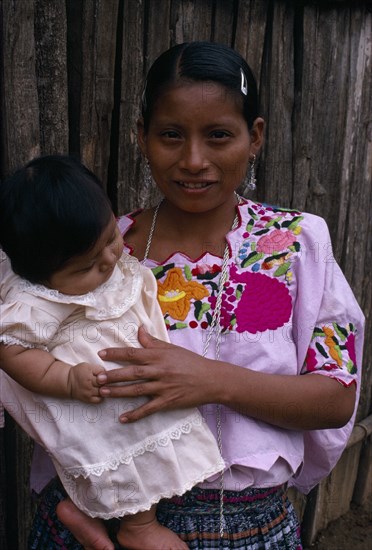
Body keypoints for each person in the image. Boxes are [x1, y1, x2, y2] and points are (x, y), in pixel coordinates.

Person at [8, 41, 365, 549]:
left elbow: (335, 398)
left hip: (243, 527)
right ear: (142, 137)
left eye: (219, 135)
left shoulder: (297, 244)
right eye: (170, 135)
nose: (194, 160)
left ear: (254, 136)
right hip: (96, 514)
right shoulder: (103, 250)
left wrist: (208, 379)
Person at [0, 154, 225, 550]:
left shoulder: (91, 257)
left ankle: (81, 511)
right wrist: (65, 378)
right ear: (39, 275)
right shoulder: (34, 302)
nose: (109, 259)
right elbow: (12, 351)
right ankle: (138, 526)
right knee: (124, 449)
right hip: (99, 393)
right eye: (87, 266)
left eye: (110, 238)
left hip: (130, 376)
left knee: (148, 448)